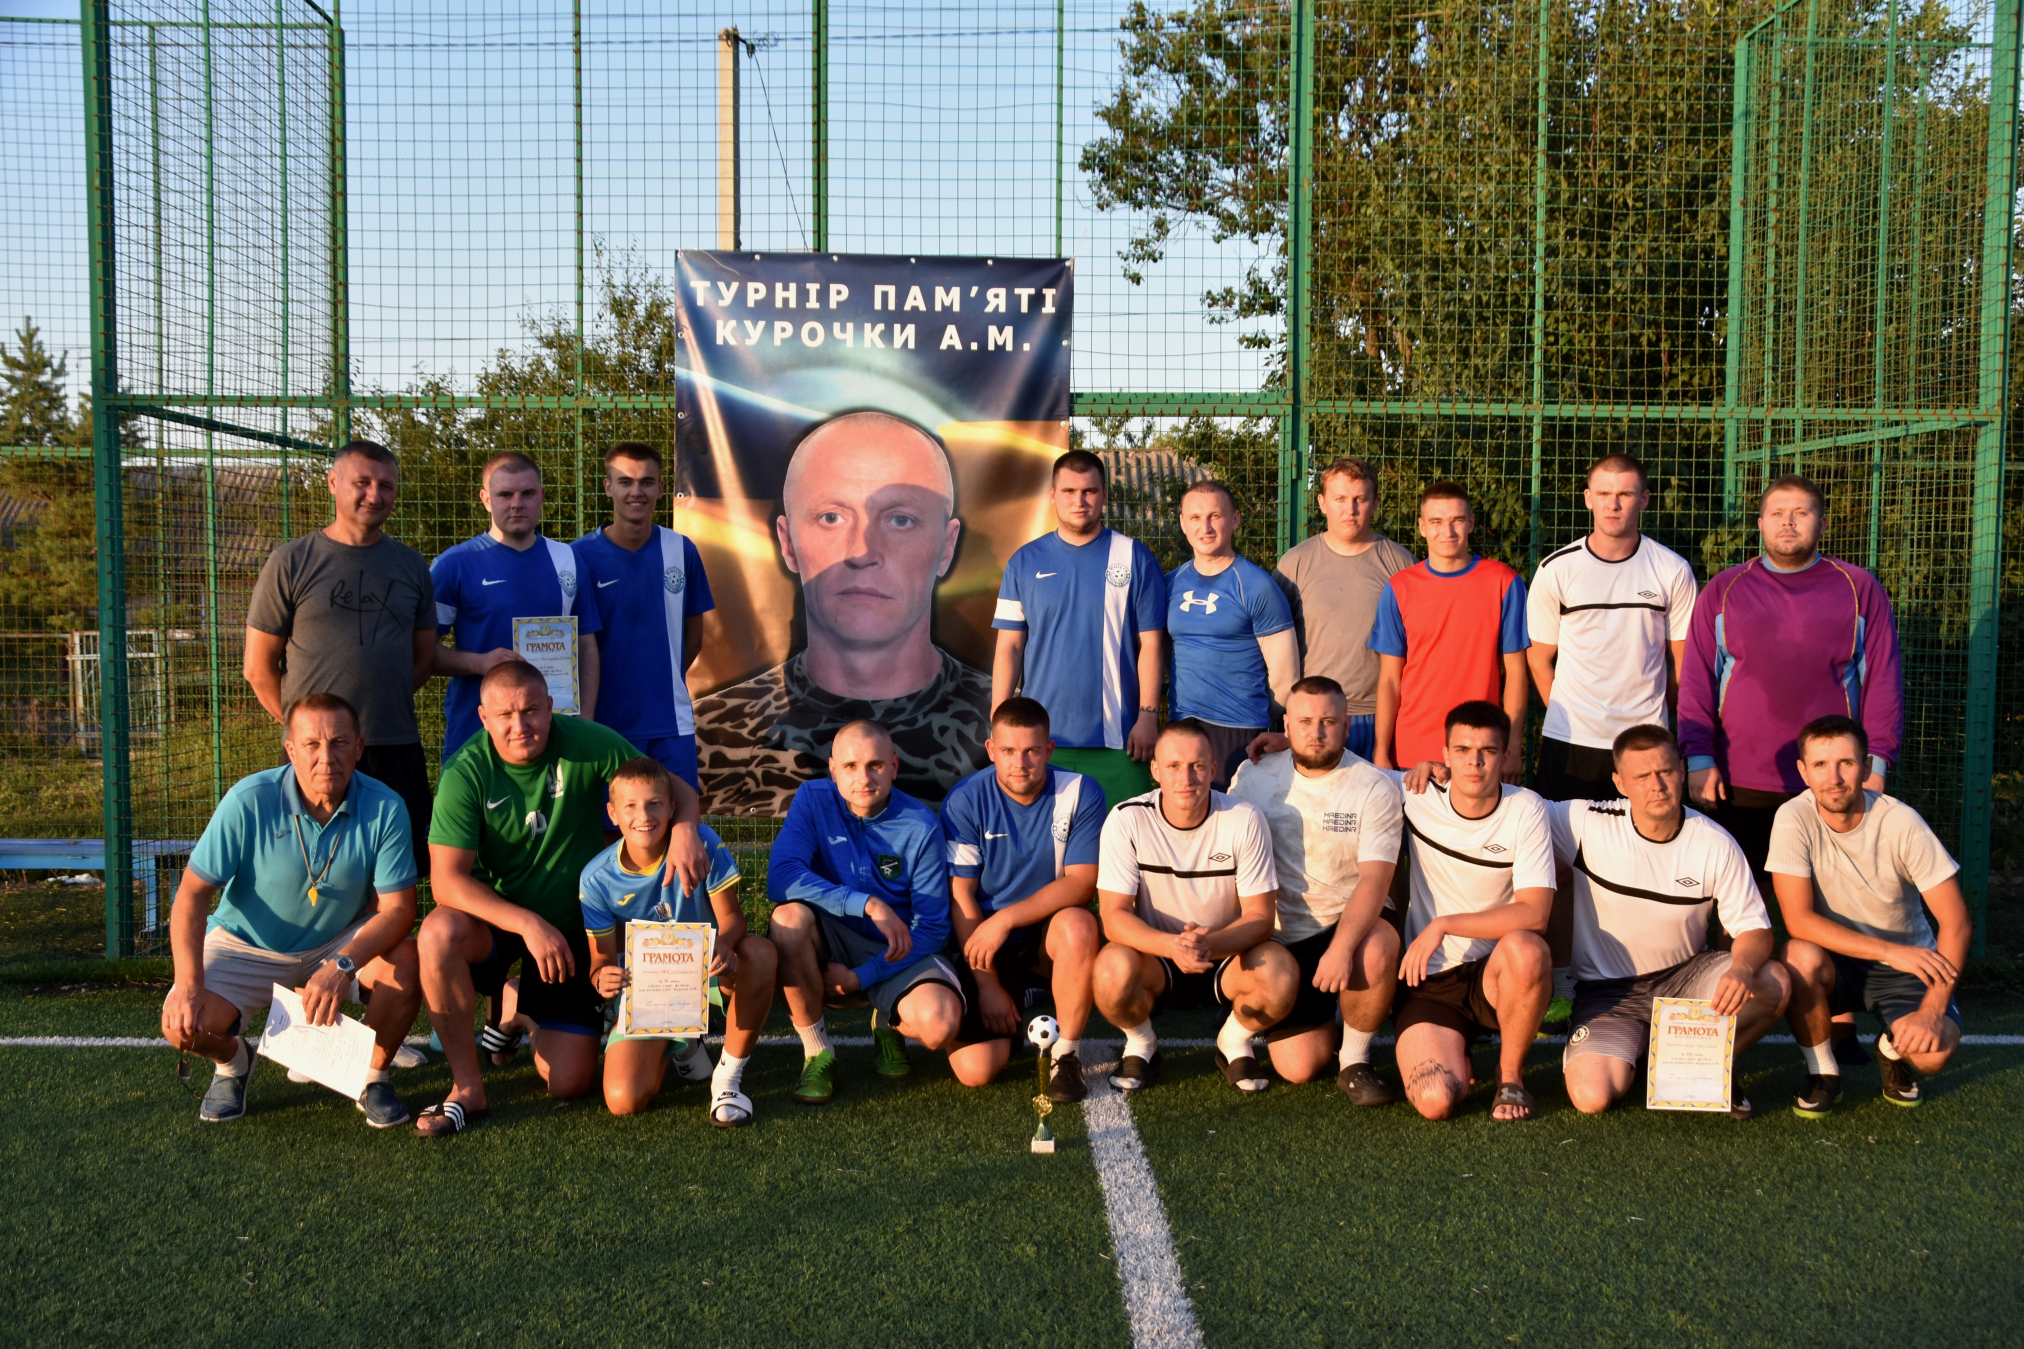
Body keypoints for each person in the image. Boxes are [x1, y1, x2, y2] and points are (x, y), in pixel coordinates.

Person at [416, 660, 707, 1136]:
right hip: (501, 924)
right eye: (505, 715)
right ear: (483, 717)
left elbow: (675, 790)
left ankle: (518, 1006)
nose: (520, 725)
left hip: (574, 927)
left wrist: (686, 831)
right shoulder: (465, 772)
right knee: (437, 933)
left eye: (531, 710)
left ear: (551, 707)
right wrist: (527, 923)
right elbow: (446, 882)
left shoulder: (587, 742)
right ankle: (467, 1087)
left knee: (569, 1083)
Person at [694, 412, 990, 815]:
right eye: (831, 517)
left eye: (900, 520)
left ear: (947, 546)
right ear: (788, 542)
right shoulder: (706, 738)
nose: (862, 551)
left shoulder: (1009, 735)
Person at [159, 693, 422, 1127]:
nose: (326, 757)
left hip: (337, 941)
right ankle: (234, 1063)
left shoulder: (386, 806)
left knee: (408, 960)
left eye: (339, 743)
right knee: (183, 1025)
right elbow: (191, 895)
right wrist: (187, 984)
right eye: (312, 744)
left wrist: (342, 965)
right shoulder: (248, 800)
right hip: (246, 944)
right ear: (291, 749)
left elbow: (398, 910)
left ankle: (372, 1076)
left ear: (359, 747)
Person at [1549, 724, 1789, 1119]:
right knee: (1591, 1097)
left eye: (1665, 772)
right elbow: (1512, 811)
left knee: (1772, 980)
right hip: (1607, 993)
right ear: (1620, 783)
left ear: (1681, 771)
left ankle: (1701, 1068)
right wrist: (1442, 779)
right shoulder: (1584, 822)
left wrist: (1743, 967)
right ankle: (1659, 1057)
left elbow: (1755, 929)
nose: (1656, 785)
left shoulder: (1714, 842)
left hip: (1686, 980)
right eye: (1642, 776)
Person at [1678, 474, 1903, 874]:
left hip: (1831, 779)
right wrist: (1698, 757)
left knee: (1827, 899)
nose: (1788, 521)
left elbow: (1882, 683)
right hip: (1738, 777)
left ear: (1823, 523)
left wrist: (1876, 763)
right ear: (1760, 523)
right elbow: (1697, 683)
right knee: (1741, 898)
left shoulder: (1859, 588)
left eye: (1801, 512)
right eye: (1777, 513)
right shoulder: (1725, 589)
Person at [244, 439, 438, 870]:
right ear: (333, 483)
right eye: (362, 482)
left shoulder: (412, 566)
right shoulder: (291, 562)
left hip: (394, 744)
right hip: (318, 755)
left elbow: (422, 659)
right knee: (312, 866)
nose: (375, 495)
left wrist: (378, 707)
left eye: (386, 485)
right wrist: (308, 734)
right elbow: (258, 668)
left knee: (397, 871)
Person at [1769, 716, 1970, 1115]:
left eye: (1845, 763)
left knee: (1933, 1054)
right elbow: (1798, 920)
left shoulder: (1902, 822)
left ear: (1865, 767)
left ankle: (1892, 1049)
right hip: (1840, 960)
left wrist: (1932, 1011)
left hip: (1907, 964)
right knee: (1797, 954)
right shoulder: (1793, 817)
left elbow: (1957, 923)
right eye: (1821, 765)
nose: (1834, 778)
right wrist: (1888, 950)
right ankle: (1824, 1073)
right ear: (1804, 771)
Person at [766, 719, 965, 1104]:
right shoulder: (812, 799)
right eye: (851, 766)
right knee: (787, 920)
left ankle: (887, 1021)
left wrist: (861, 977)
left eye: (875, 765)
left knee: (940, 1026)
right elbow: (782, 877)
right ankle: (817, 1051)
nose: (864, 778)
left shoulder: (922, 825)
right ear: (832, 769)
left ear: (894, 766)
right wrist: (867, 904)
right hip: (833, 937)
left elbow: (932, 928)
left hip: (899, 948)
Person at [1227, 676, 1403, 1103]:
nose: (1317, 732)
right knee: (1300, 1067)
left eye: (1328, 721)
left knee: (1377, 946)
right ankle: (1323, 1012)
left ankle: (1355, 1060)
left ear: (1347, 725)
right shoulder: (1253, 775)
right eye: (1305, 722)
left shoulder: (1373, 785)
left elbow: (1376, 881)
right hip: (1284, 936)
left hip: (1349, 920)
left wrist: (1341, 949)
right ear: (1286, 725)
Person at [1093, 719, 1292, 1095]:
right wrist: (1173, 946)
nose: (1186, 778)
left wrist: (1207, 945)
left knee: (1281, 972)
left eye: (1197, 765)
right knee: (1109, 970)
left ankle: (1234, 1041)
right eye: (1173, 766)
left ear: (1213, 769)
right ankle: (1141, 1043)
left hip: (1228, 957)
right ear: (1155, 770)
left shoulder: (1244, 818)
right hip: (1157, 959)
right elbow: (1113, 917)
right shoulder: (1126, 819)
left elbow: (1261, 917)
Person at [581, 758, 777, 1126]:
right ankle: (684, 1039)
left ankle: (727, 1079)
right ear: (612, 813)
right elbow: (600, 960)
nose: (644, 816)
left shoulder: (701, 842)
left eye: (654, 803)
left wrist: (725, 943)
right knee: (624, 1099)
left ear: (672, 806)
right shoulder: (596, 878)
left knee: (760, 953)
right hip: (651, 990)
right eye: (630, 806)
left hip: (710, 971)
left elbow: (734, 919)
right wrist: (601, 978)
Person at [1390, 701, 1554, 1122]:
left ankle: (1510, 1076)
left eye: (1487, 751)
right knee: (1435, 1101)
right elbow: (1342, 772)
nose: (1474, 762)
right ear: (1444, 754)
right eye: (1462, 750)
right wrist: (1287, 742)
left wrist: (1444, 925)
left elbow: (1535, 914)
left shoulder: (1526, 808)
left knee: (1527, 948)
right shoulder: (1416, 793)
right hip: (1432, 982)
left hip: (1496, 976)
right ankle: (1458, 1055)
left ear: (1506, 755)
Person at [940, 696, 1107, 1101]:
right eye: (1009, 751)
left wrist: (1006, 918)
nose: (1021, 763)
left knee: (1079, 924)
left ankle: (1066, 1054)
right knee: (976, 1071)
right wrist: (987, 986)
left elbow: (1082, 883)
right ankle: (1017, 996)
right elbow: (961, 896)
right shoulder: (965, 800)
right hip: (986, 942)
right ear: (990, 749)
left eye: (1032, 751)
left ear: (1049, 749)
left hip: (1045, 935)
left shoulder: (1080, 792)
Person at [992, 448, 1168, 813]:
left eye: (1089, 491)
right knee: (1047, 846)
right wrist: (999, 720)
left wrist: (1148, 715)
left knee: (1124, 843)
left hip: (1119, 742)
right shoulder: (1023, 561)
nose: (1080, 500)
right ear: (1053, 495)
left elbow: (1151, 645)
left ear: (1104, 495)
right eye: (1069, 491)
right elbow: (1009, 646)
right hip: (1040, 743)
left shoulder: (1135, 557)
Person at [1526, 453, 1698, 802]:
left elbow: (1683, 663)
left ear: (1644, 499)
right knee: (1565, 836)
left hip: (1645, 740)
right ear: (1588, 498)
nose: (1613, 504)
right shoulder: (1555, 569)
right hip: (1571, 740)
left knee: (1646, 834)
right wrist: (1569, 715)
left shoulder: (1672, 570)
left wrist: (1655, 718)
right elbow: (1539, 659)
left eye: (1625, 494)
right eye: (1604, 494)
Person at [431, 451, 601, 760]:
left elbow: (586, 645)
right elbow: (423, 652)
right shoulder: (453, 565)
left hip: (554, 734)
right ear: (486, 499)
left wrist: (584, 721)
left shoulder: (568, 560)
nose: (517, 503)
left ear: (542, 496)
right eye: (505, 494)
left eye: (527, 493)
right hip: (476, 735)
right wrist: (479, 663)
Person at [573, 442, 716, 791]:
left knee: (679, 816)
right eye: (625, 482)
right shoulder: (578, 557)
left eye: (646, 482)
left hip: (670, 722)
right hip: (604, 723)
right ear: (608, 487)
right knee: (611, 820)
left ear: (661, 488)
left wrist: (659, 681)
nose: (636, 492)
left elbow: (694, 638)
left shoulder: (682, 551)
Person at [1370, 482, 1529, 783]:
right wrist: (1380, 750)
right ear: (1422, 527)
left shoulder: (1504, 582)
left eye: (1457, 520)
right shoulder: (1399, 587)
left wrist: (1512, 746)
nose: (1448, 531)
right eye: (1436, 521)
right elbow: (1390, 679)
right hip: (1412, 750)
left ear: (1471, 523)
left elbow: (1517, 673)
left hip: (1480, 749)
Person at [1272, 457, 1416, 760]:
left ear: (1375, 503)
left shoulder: (1401, 564)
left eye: (1359, 499)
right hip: (1315, 718)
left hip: (1379, 716)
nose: (1350, 509)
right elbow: (1274, 647)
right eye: (1339, 499)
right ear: (1322, 503)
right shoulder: (1294, 564)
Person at [1164, 480, 1298, 789]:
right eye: (1195, 518)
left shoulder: (1257, 586)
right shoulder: (1169, 583)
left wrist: (1252, 714)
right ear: (1183, 523)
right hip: (1182, 726)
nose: (1205, 528)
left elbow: (1285, 676)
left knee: (1233, 815)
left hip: (1238, 731)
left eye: (1216, 516)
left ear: (1235, 519)